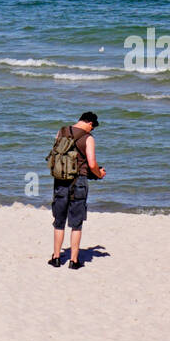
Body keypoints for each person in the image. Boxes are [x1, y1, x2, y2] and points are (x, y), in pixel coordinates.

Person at [49, 113, 105, 270]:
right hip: (79, 181)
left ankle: (56, 258)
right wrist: (99, 173)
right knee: (76, 223)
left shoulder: (61, 132)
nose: (92, 129)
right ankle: (74, 261)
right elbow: (92, 164)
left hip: (60, 180)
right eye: (92, 126)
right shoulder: (88, 138)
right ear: (88, 122)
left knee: (59, 221)